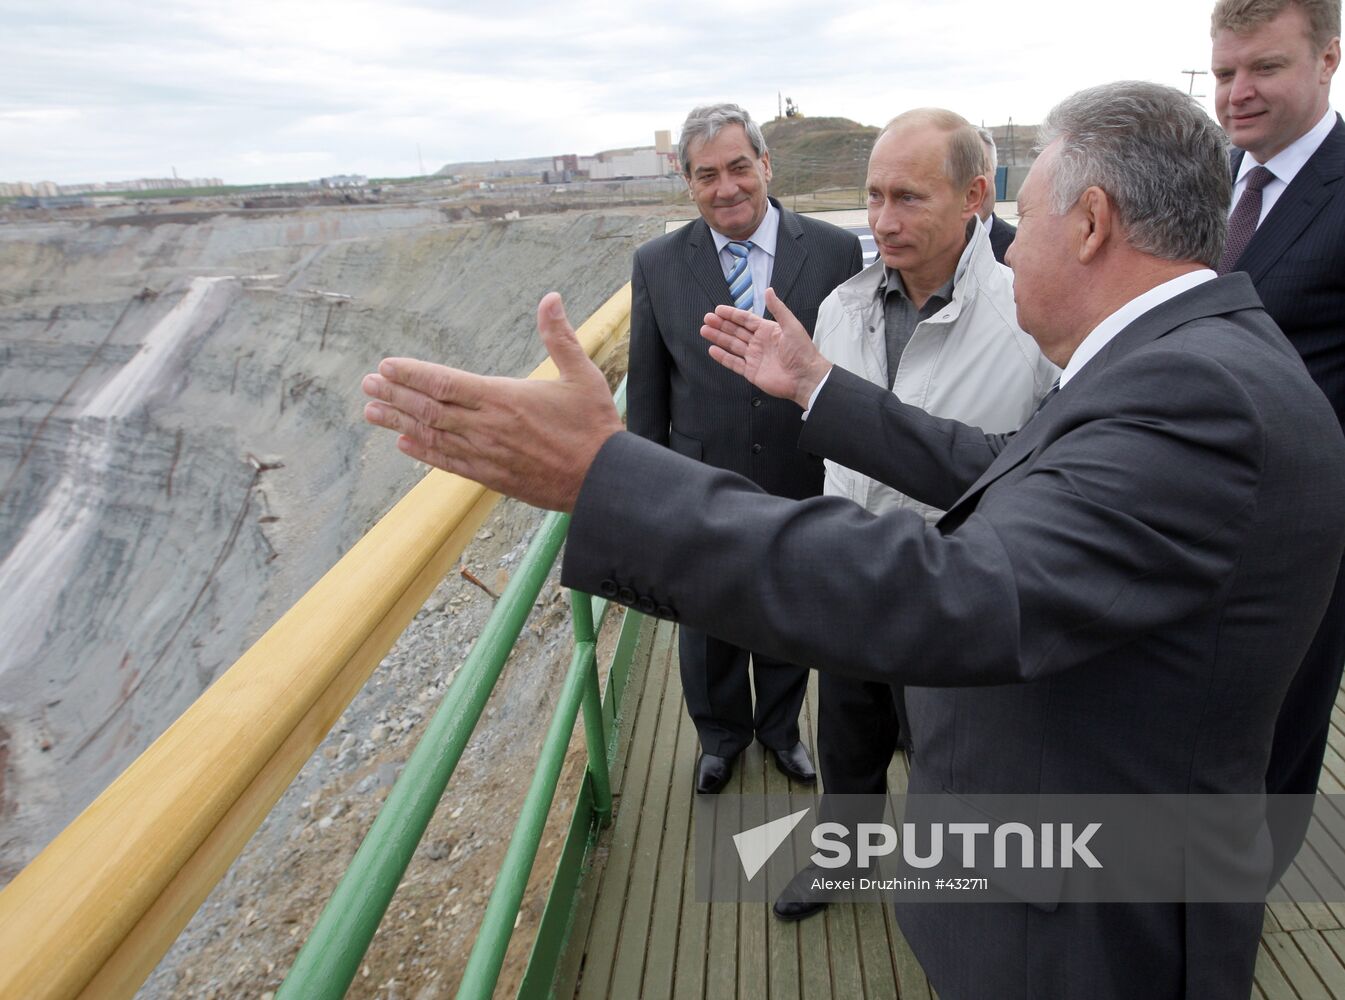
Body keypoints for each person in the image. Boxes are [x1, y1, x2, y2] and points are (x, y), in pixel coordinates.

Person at [362, 81, 1345, 998]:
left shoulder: (1195, 400)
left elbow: (960, 591)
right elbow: (1000, 467)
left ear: (1089, 224)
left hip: (1091, 930)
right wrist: (818, 387)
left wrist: (606, 481)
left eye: (1026, 220)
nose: (1008, 254)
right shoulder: (1183, 363)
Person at [774, 108, 1055, 923]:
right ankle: (844, 857)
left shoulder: (1029, 315)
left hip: (959, 590)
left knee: (960, 754)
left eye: (907, 197)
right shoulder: (839, 308)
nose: (882, 221)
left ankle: (969, 892)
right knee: (847, 733)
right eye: (872, 197)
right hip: (854, 570)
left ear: (974, 196)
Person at [626, 103, 863, 794]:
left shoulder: (834, 251)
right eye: (707, 175)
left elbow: (849, 369)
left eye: (738, 167)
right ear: (688, 183)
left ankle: (781, 730)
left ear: (765, 164)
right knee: (707, 622)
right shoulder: (656, 264)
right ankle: (720, 737)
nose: (726, 187)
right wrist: (646, 497)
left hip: (801, 467)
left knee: (789, 611)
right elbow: (648, 388)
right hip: (699, 477)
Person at [1210, 0, 1345, 884]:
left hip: (1301, 540)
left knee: (1279, 739)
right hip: (1186, 519)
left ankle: (1242, 906)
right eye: (1224, 72)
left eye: (1264, 68)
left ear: (1327, 59)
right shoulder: (1209, 177)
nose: (1236, 93)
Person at [976, 126, 1017, 262]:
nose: (970, 184)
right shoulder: (923, 250)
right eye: (957, 171)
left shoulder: (1024, 251)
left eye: (979, 168)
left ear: (995, 172)